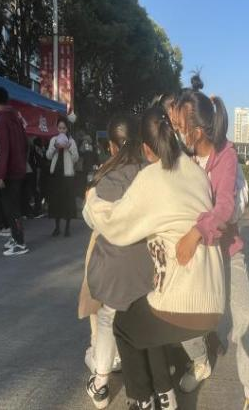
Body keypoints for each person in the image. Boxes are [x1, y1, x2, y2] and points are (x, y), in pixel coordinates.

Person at [83, 106, 224, 410]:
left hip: (183, 303)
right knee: (144, 319)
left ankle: (141, 400)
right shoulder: (196, 172)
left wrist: (92, 198)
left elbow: (116, 226)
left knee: (123, 325)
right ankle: (163, 394)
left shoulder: (152, 177)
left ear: (146, 148)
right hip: (214, 299)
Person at [172, 87, 249, 410]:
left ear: (197, 131)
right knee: (182, 314)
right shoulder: (182, 156)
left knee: (245, 317)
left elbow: (224, 206)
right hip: (196, 252)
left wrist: (197, 232)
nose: (177, 131)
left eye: (181, 126)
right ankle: (201, 362)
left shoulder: (225, 156)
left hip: (226, 248)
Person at [79, 116, 154, 409]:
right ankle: (151, 389)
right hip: (149, 269)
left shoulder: (103, 178)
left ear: (111, 146)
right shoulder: (152, 174)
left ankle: (100, 385)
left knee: (107, 318)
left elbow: (91, 219)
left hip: (112, 269)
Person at [0, 86, 29, 256]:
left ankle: (20, 243)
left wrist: (0, 174)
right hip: (18, 168)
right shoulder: (15, 116)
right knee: (13, 206)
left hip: (9, 171)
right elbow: (25, 143)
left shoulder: (2, 119)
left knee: (11, 208)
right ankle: (15, 237)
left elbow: (3, 149)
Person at [46, 117, 79, 237]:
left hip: (67, 175)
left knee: (67, 201)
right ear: (57, 128)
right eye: (59, 128)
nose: (61, 130)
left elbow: (76, 158)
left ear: (67, 129)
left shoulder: (71, 141)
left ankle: (67, 227)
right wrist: (55, 147)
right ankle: (57, 227)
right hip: (56, 174)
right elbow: (48, 156)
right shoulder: (53, 140)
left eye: (64, 128)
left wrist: (68, 147)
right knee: (56, 201)